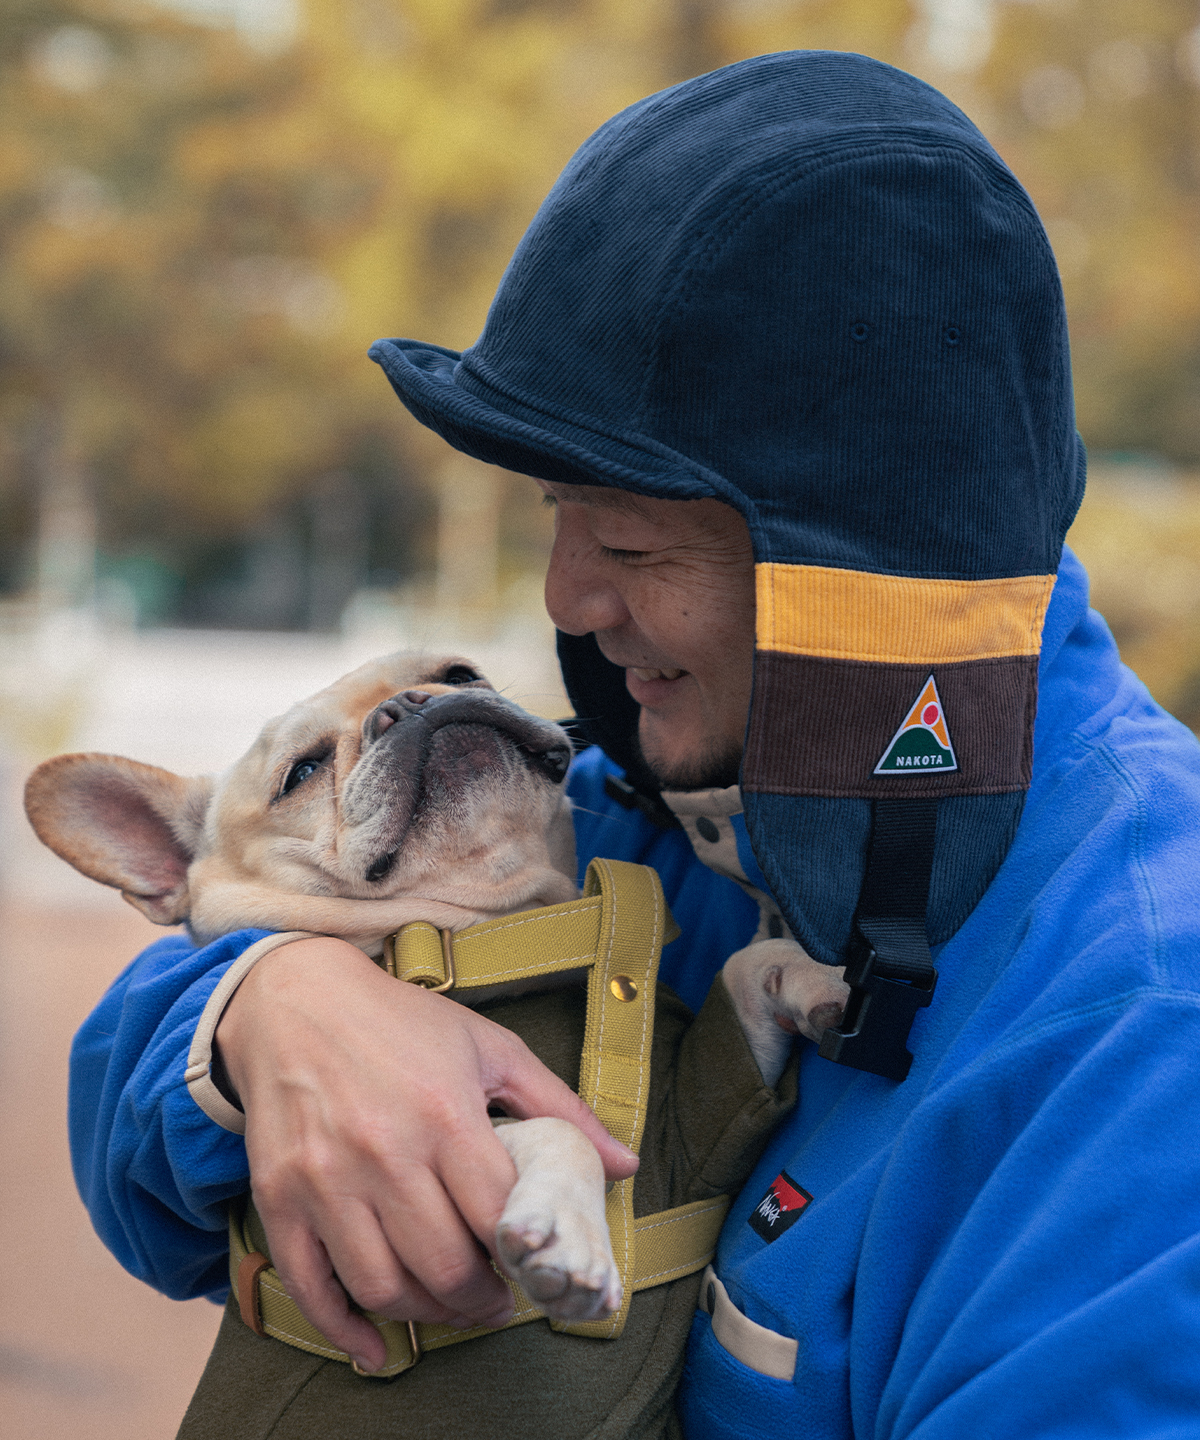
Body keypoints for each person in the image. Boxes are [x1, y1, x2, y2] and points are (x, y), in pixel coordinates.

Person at [69, 51, 1200, 1436]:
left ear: (865, 580)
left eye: (628, 540)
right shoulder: (661, 800)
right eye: (555, 515)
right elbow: (129, 1130)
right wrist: (262, 1016)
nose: (565, 601)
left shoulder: (1138, 1028)